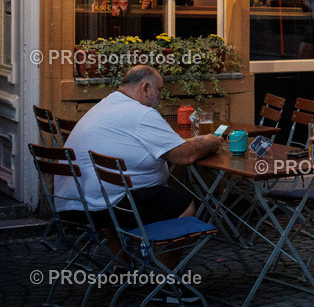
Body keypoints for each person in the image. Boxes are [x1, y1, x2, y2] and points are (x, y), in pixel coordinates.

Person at [54, 65, 222, 271]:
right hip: (104, 207)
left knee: (115, 191)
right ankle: (165, 280)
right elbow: (184, 155)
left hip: (75, 204)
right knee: (183, 204)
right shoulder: (141, 114)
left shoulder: (105, 105)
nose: (161, 96)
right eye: (159, 90)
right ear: (145, 89)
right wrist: (210, 143)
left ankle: (122, 265)